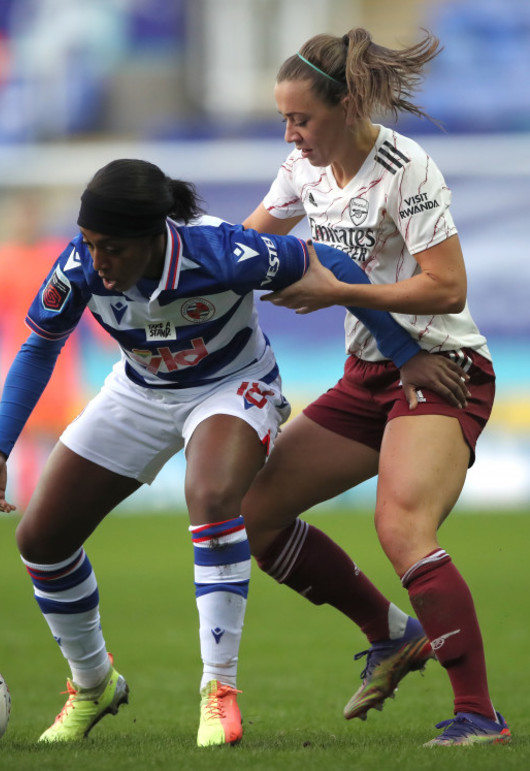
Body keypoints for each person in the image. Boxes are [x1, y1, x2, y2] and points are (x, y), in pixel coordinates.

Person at [0, 158, 467, 748]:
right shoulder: (80, 266)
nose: (97, 260)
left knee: (209, 494)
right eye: (88, 243)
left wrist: (401, 350)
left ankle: (219, 690)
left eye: (112, 248)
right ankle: (93, 685)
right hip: (139, 390)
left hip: (231, 386)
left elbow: (329, 264)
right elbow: (38, 348)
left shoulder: (221, 253)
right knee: (41, 540)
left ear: (154, 237)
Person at [240, 28, 510, 747]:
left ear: (348, 103)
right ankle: (391, 634)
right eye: (284, 121)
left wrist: (335, 291)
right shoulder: (302, 169)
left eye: (302, 119)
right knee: (255, 514)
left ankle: (479, 715)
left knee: (400, 528)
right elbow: (249, 246)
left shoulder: (405, 167)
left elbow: (448, 285)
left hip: (442, 366)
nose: (292, 135)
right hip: (368, 376)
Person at [0, 192, 114, 508]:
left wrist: (105, 333)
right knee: (21, 432)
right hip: (16, 356)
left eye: (31, 216)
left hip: (59, 356)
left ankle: (61, 498)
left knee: (62, 433)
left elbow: (84, 297)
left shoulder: (55, 253)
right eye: (21, 216)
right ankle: (27, 502)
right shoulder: (2, 260)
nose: (26, 222)